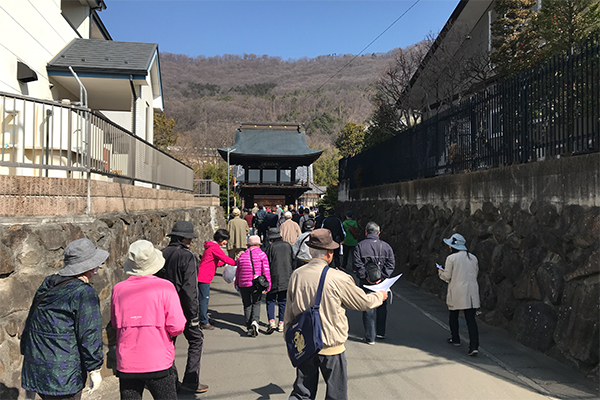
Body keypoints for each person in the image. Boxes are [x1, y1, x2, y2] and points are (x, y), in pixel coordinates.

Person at [284, 229, 388, 400]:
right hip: (331, 344)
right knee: (336, 393)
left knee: (302, 392)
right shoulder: (339, 278)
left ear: (310, 251)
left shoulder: (297, 275)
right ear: (330, 253)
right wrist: (380, 295)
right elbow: (363, 302)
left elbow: (289, 313)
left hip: (304, 342)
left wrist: (290, 344)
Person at [21, 238, 108, 400]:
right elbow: (89, 334)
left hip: (36, 367)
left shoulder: (49, 283)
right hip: (64, 377)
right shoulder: (84, 293)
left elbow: (32, 320)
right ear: (88, 266)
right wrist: (94, 369)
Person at [111, 240, 187, 400]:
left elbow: (115, 323)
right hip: (158, 359)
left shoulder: (118, 289)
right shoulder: (165, 287)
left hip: (127, 362)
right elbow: (177, 326)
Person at [155, 221, 208, 394]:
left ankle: (171, 381)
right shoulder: (187, 256)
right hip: (183, 307)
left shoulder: (161, 254)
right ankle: (191, 381)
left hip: (163, 306)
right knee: (196, 340)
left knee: (168, 344)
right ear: (184, 238)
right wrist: (194, 315)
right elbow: (189, 288)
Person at [438, 233, 480, 356]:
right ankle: (474, 346)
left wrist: (440, 272)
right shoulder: (473, 258)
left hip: (457, 289)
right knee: (471, 319)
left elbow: (447, 276)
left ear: (453, 246)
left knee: (453, 314)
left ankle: (455, 338)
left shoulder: (451, 259)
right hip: (471, 291)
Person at [354, 221, 395, 344]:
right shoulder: (386, 246)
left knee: (368, 307)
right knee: (382, 306)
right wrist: (382, 277)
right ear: (379, 233)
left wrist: (365, 277)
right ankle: (381, 332)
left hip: (366, 282)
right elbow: (391, 264)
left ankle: (370, 336)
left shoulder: (360, 246)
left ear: (366, 232)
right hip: (382, 283)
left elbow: (357, 264)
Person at [198, 229, 236, 330]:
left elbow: (212, 261)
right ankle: (203, 321)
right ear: (221, 239)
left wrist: (222, 264)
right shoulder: (215, 248)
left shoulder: (211, 246)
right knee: (204, 300)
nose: (225, 242)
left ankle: (203, 317)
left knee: (203, 299)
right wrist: (237, 262)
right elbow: (225, 258)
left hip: (203, 274)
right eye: (225, 240)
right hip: (204, 276)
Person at [235, 235, 271, 337]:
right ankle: (255, 322)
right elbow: (266, 271)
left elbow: (238, 271)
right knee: (256, 303)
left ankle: (249, 327)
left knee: (247, 304)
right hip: (256, 283)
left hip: (243, 283)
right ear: (259, 244)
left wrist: (236, 283)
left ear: (249, 245)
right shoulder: (262, 255)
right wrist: (268, 284)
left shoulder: (242, 256)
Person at [263, 228, 294, 334]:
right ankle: (281, 323)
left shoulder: (270, 247)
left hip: (273, 277)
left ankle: (271, 322)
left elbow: (267, 263)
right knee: (283, 301)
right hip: (286, 277)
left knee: (270, 299)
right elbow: (293, 260)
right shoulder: (288, 245)